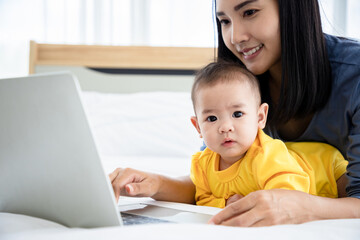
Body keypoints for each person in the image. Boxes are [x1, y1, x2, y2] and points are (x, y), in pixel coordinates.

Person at [110, 0, 360, 226]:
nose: (235, 37)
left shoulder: (354, 74)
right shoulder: (235, 83)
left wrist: (299, 205)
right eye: (224, 21)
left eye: (250, 12)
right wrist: (155, 184)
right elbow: (211, 183)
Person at [189, 61, 347, 208]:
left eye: (237, 114)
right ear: (198, 127)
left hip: (327, 167)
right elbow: (202, 200)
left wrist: (252, 203)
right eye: (211, 118)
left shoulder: (266, 155)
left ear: (260, 117)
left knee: (350, 196)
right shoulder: (201, 165)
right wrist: (226, 203)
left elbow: (288, 195)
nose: (225, 127)